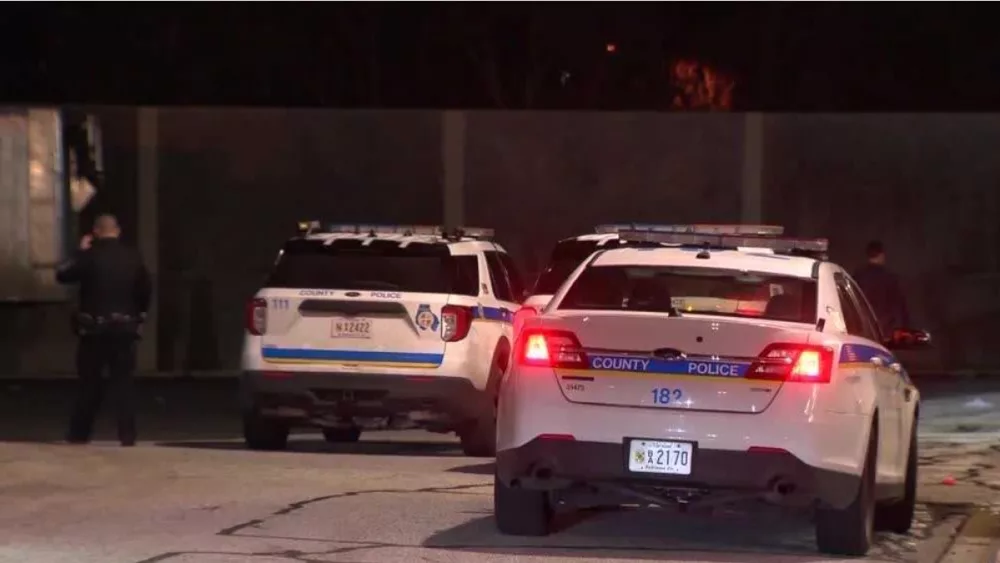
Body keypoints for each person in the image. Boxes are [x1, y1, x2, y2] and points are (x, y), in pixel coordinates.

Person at [56, 214, 152, 446]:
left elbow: (62, 275)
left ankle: (79, 434)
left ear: (95, 232)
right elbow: (145, 290)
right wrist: (139, 316)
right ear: (117, 231)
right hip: (125, 329)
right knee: (124, 384)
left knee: (90, 383)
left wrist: (80, 251)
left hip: (94, 330)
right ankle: (127, 436)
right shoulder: (133, 258)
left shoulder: (89, 257)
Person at [851, 240, 910, 338]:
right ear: (881, 255)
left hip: (861, 330)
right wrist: (904, 328)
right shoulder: (890, 278)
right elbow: (899, 306)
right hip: (884, 332)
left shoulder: (858, 276)